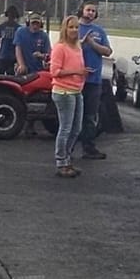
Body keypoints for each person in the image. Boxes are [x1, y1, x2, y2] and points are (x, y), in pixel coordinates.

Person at [50, 16, 90, 177]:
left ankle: (67, 158)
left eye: (76, 27)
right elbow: (55, 72)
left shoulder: (78, 47)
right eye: (71, 27)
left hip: (77, 90)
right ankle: (61, 162)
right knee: (65, 128)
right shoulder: (60, 48)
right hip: (63, 92)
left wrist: (83, 73)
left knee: (76, 129)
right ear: (65, 29)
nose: (74, 30)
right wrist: (76, 72)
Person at [77, 1, 113, 159]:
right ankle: (68, 149)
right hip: (75, 79)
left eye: (93, 11)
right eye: (88, 10)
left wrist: (92, 43)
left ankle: (89, 147)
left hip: (94, 80)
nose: (90, 13)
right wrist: (82, 42)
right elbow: (64, 47)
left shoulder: (99, 31)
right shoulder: (74, 27)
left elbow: (107, 51)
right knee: (73, 115)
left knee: (90, 115)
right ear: (82, 11)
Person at [13, 11, 51, 136]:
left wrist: (42, 56)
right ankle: (20, 122)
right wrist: (21, 64)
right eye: (33, 23)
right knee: (20, 95)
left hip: (37, 70)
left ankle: (31, 124)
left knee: (35, 97)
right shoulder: (20, 32)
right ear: (29, 23)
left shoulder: (43, 36)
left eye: (37, 24)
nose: (35, 26)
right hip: (24, 69)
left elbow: (48, 54)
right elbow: (17, 48)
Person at [0, 6, 21, 75]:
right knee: (11, 79)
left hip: (3, 56)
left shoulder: (2, 26)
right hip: (11, 57)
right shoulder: (19, 28)